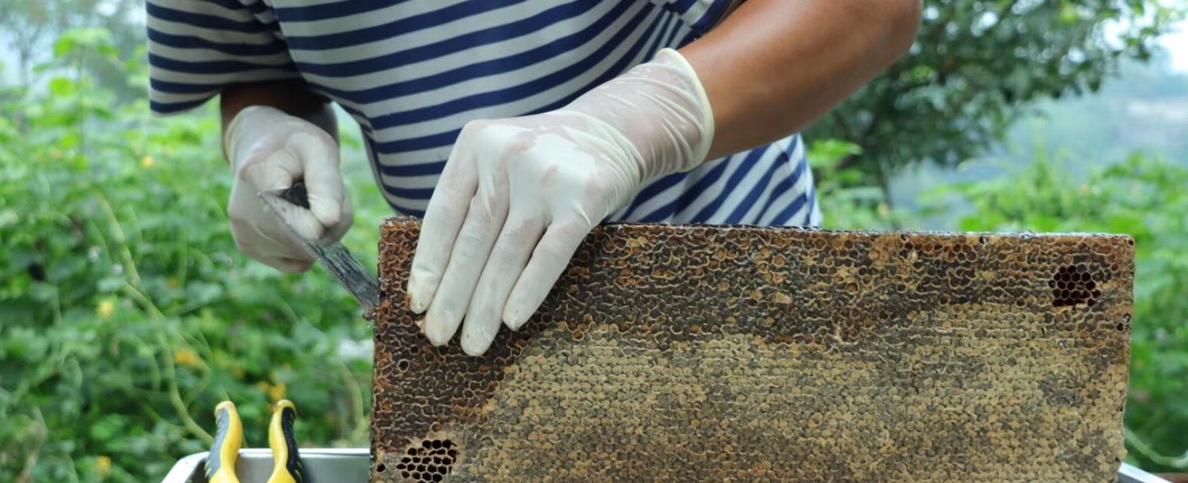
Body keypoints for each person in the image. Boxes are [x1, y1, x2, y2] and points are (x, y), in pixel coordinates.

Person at [147, 0, 921, 356]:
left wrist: (638, 121)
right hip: (477, 349)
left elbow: (869, 9)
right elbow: (256, 61)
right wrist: (261, 127)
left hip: (749, 328)